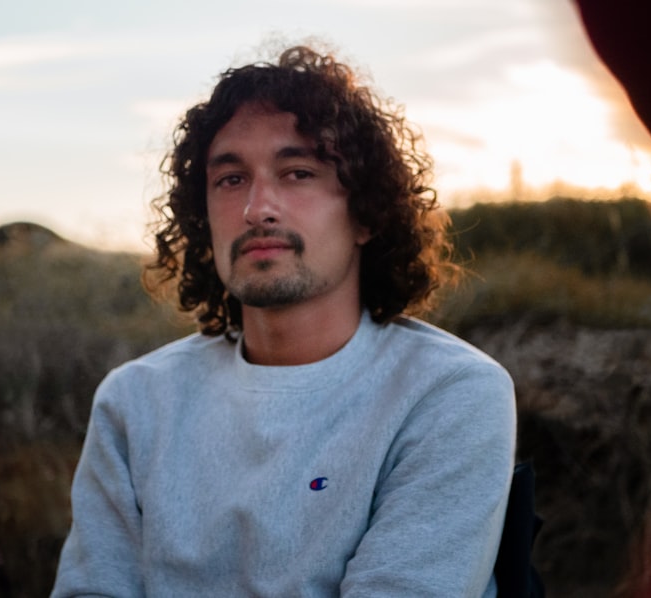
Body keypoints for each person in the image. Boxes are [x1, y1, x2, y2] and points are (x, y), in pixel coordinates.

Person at [51, 44, 517, 597]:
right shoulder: (134, 403)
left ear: (365, 214)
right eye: (230, 179)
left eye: (297, 172)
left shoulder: (445, 393)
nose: (257, 207)